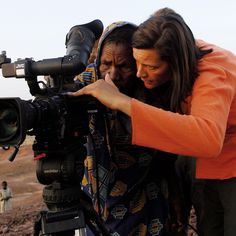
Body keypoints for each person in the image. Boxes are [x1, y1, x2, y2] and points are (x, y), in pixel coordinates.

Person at [69, 8, 236, 236]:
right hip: (205, 162)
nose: (140, 74)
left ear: (175, 63)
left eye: (151, 67)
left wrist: (122, 102)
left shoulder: (212, 73)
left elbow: (207, 138)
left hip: (229, 160)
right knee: (210, 227)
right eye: (137, 63)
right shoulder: (163, 57)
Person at [76, 21, 184, 236]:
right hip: (98, 204)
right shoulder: (84, 84)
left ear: (138, 64)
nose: (113, 74)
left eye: (124, 66)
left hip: (145, 198)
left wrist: (175, 195)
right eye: (106, 63)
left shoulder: (154, 94)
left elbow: (166, 155)